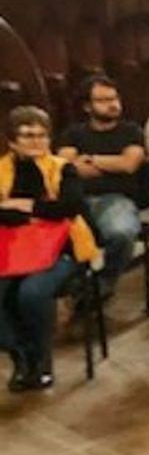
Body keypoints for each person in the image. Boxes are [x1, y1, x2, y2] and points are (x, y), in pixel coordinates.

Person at [0, 107, 95, 392]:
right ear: (12, 140)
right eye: (28, 135)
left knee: (32, 292)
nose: (36, 141)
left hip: (59, 250)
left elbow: (70, 207)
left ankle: (41, 360)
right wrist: (42, 211)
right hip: (9, 250)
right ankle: (20, 354)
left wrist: (24, 206)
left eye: (42, 135)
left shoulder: (63, 168)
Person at [56, 75, 144, 297]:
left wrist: (90, 159)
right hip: (76, 200)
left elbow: (129, 164)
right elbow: (66, 168)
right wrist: (111, 163)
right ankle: (71, 289)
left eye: (114, 98)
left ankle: (103, 282)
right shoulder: (73, 133)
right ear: (87, 106)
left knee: (123, 233)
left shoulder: (131, 131)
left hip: (116, 199)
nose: (112, 104)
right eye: (103, 100)